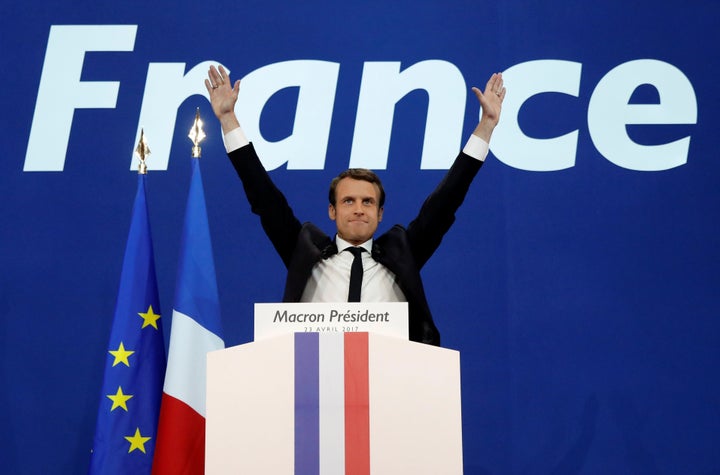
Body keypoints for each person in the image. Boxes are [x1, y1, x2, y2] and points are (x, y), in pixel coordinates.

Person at [205, 64, 505, 346]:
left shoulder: (404, 252)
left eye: (368, 202)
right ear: (332, 211)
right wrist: (228, 120)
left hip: (393, 385)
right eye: (348, 201)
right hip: (315, 385)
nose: (359, 208)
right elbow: (263, 196)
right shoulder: (304, 250)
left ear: (380, 213)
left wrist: (487, 126)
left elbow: (447, 200)